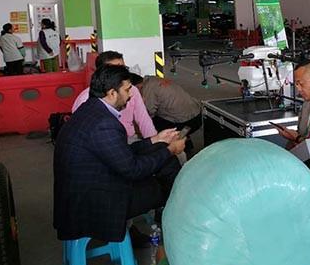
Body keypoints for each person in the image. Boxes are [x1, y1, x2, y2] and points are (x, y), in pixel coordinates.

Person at [53, 65, 186, 242]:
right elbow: (133, 169)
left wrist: (157, 140)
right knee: (165, 183)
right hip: (92, 204)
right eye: (127, 90)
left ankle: (177, 215)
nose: (131, 95)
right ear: (112, 93)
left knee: (163, 156)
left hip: (87, 190)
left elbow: (120, 153)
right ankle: (179, 228)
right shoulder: (104, 123)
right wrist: (171, 150)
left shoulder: (90, 110)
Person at [73, 51, 157, 142]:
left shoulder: (132, 91)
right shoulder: (85, 99)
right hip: (101, 141)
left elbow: (144, 121)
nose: (122, 73)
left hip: (129, 139)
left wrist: (156, 142)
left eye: (123, 68)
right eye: (116, 70)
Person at [131, 74, 202, 153]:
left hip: (186, 122)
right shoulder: (153, 80)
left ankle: (165, 149)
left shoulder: (147, 90)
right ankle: (187, 145)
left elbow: (146, 116)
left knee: (151, 125)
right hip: (197, 115)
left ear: (137, 87)